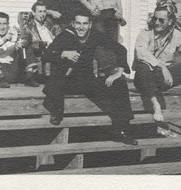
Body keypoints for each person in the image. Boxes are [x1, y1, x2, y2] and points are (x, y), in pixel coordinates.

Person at [42, 11, 137, 146]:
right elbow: (46, 55)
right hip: (67, 81)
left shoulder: (95, 35)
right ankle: (57, 112)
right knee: (56, 78)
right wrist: (63, 53)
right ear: (73, 24)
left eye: (85, 24)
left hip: (87, 81)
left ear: (90, 25)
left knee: (120, 83)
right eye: (78, 23)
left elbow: (120, 49)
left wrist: (119, 71)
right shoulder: (65, 35)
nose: (81, 27)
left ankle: (122, 130)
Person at [133, 0, 181, 124]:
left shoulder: (176, 35)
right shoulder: (145, 33)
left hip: (163, 79)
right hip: (144, 79)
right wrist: (162, 67)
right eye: (155, 19)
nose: (157, 22)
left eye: (161, 20)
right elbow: (141, 54)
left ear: (170, 21)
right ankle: (156, 106)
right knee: (143, 67)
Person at [0, 12, 38, 87]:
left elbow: (28, 38)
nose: (2, 27)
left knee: (26, 46)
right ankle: (0, 78)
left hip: (13, 69)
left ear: (8, 24)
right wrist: (4, 40)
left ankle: (29, 77)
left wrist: (18, 45)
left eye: (5, 24)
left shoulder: (13, 32)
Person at [20, 1, 60, 83]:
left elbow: (60, 37)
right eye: (40, 11)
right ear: (34, 13)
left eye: (44, 11)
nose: (42, 14)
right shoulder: (29, 27)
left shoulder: (51, 24)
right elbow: (27, 39)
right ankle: (46, 75)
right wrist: (44, 43)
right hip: (42, 51)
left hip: (56, 50)